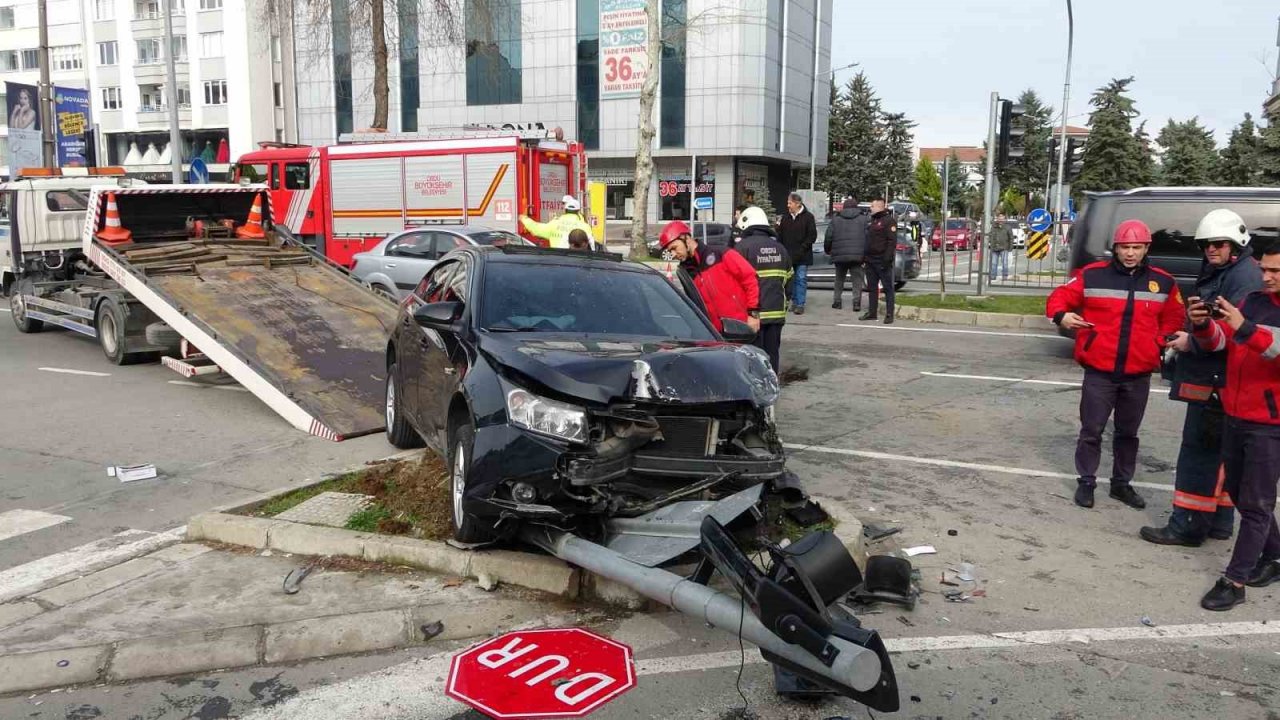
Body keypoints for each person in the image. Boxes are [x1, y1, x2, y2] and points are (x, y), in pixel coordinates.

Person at [1141, 209, 1262, 548]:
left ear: (1235, 244)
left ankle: (1187, 526)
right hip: (1219, 381)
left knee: (1199, 455)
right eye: (1207, 244)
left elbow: (1229, 333)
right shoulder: (1230, 271)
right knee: (1221, 454)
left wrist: (1190, 340)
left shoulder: (1241, 279)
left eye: (1218, 244)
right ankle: (1219, 523)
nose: (1211, 249)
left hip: (1216, 383)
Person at [1046, 219, 1185, 510]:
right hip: (1100, 371)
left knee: (1128, 434)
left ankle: (1121, 484)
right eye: (1125, 247)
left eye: (1137, 247)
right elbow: (1061, 296)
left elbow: (1174, 316)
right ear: (1116, 248)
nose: (1131, 253)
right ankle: (1086, 482)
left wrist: (1159, 341)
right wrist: (1061, 316)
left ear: (1147, 248)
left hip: (1138, 374)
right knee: (1091, 430)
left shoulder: (1163, 282)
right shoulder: (1092, 275)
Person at [1188, 245, 1280, 610]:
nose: (1267, 276)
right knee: (1242, 496)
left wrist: (1246, 328)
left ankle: (1235, 580)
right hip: (1236, 413)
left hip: (1270, 424)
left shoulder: (1253, 312)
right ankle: (1274, 556)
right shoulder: (1255, 301)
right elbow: (1224, 342)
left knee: (1256, 505)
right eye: (1266, 269)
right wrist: (1202, 326)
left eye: (1276, 271)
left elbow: (1271, 347)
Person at [657, 220, 760, 336]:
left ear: (685, 238)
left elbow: (751, 279)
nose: (673, 254)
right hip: (715, 334)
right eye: (670, 251)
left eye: (674, 248)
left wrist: (753, 314)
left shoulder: (720, 254)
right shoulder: (686, 272)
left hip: (742, 327)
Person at [735, 206, 790, 371]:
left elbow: (735, 283)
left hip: (753, 316)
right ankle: (772, 385)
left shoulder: (742, 248)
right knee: (772, 354)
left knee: (752, 355)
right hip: (776, 314)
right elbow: (790, 279)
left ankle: (756, 388)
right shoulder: (781, 248)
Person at [825, 197, 870, 312]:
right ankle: (856, 303)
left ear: (844, 207)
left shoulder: (835, 220)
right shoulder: (864, 219)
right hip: (858, 256)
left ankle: (837, 301)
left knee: (839, 279)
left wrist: (828, 249)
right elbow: (868, 237)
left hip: (840, 255)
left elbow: (828, 236)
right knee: (857, 280)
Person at [778, 193, 817, 315]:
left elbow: (812, 236)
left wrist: (802, 249)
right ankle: (794, 301)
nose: (788, 205)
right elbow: (780, 236)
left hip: (802, 255)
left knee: (800, 279)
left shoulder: (808, 217)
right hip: (788, 255)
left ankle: (800, 304)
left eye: (790, 203)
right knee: (791, 280)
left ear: (798, 204)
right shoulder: (785, 217)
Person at [861, 198, 897, 324]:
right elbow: (867, 241)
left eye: (872, 206)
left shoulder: (888, 221)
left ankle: (889, 314)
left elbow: (891, 242)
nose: (870, 208)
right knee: (872, 288)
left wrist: (886, 260)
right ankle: (872, 312)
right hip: (870, 260)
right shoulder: (872, 221)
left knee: (888, 288)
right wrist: (864, 257)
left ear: (880, 207)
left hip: (882, 260)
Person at [519, 195, 593, 250]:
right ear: (578, 211)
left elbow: (536, 229)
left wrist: (524, 219)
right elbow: (591, 246)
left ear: (565, 210)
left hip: (557, 261)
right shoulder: (585, 227)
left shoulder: (554, 224)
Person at [989, 215, 1013, 283]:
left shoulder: (1007, 227)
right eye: (999, 219)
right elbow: (991, 235)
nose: (1000, 220)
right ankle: (993, 276)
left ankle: (1005, 276)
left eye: (1002, 219)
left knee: (1005, 263)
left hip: (1004, 247)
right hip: (995, 248)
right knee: (993, 263)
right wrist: (991, 242)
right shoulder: (994, 226)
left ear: (1004, 220)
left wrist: (1010, 247)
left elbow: (1011, 237)